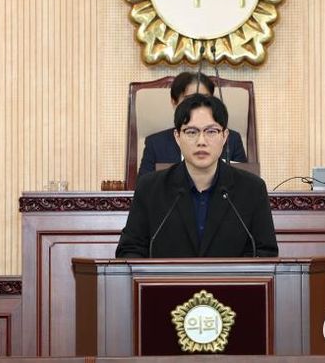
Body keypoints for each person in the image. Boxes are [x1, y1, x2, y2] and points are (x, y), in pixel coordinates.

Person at [117, 94, 278, 258]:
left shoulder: (252, 189)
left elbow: (265, 252)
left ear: (225, 136)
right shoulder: (150, 189)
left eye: (211, 131)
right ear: (177, 137)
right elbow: (130, 251)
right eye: (191, 132)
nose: (201, 141)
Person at [137, 71, 247, 179]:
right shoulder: (155, 144)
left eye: (205, 98)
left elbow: (244, 184)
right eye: (190, 99)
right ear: (174, 102)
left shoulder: (232, 140)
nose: (198, 105)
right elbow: (144, 188)